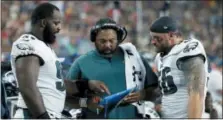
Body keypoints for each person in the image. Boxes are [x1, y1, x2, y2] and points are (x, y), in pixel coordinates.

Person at [10, 3, 110, 119]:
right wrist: (44, 117)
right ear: (43, 23)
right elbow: (27, 88)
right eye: (56, 23)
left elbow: (59, 88)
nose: (59, 28)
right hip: (32, 115)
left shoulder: (45, 48)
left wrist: (87, 86)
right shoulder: (28, 43)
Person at [67, 18, 159, 119]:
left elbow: (155, 90)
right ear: (94, 39)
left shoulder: (135, 58)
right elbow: (66, 98)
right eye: (102, 41)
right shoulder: (81, 63)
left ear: (118, 39)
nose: (107, 45)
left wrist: (144, 94)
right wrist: (87, 103)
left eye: (112, 40)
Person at [149, 16, 209, 118]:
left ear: (171, 35)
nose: (153, 42)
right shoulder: (159, 58)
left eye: (157, 38)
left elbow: (197, 93)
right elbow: (163, 89)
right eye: (152, 38)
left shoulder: (187, 50)